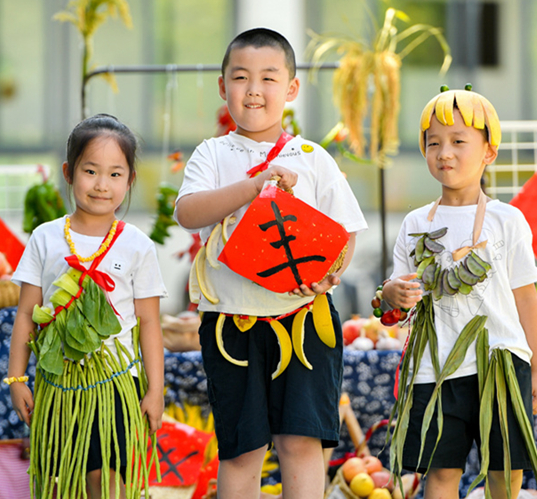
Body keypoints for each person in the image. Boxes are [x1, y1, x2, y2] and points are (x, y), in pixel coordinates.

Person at [174, 28, 367, 499]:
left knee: (300, 443)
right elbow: (188, 212)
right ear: (223, 87)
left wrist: (332, 271)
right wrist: (254, 185)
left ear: (292, 89)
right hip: (231, 326)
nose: (254, 90)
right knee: (242, 449)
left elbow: (345, 231)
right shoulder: (212, 154)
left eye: (268, 78)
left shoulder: (313, 158)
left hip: (305, 321)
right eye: (240, 77)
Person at [383, 86, 537, 499]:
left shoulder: (507, 220)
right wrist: (390, 294)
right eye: (434, 143)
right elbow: (400, 300)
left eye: (459, 142)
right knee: (439, 474)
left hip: (501, 363)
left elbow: (526, 298)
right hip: (435, 371)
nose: (445, 153)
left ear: (489, 151)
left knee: (504, 471)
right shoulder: (415, 222)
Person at [7, 114, 167, 499]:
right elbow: (27, 314)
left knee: (109, 478)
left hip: (116, 384)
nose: (101, 185)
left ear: (129, 180)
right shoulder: (45, 238)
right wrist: (16, 379)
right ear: (69, 171)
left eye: (115, 175)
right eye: (90, 171)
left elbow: (148, 323)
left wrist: (156, 389)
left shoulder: (138, 245)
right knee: (69, 478)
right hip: (60, 384)